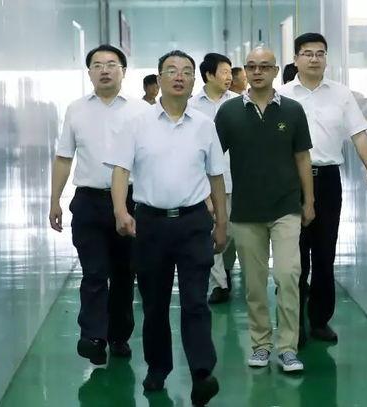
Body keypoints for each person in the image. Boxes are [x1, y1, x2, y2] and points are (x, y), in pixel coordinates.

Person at [106, 50, 226, 406]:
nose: (179, 76)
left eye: (186, 71)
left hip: (193, 222)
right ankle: (158, 368)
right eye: (171, 70)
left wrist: (221, 223)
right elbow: (120, 171)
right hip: (151, 224)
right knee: (155, 304)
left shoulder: (204, 125)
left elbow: (216, 177)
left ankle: (202, 373)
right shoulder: (137, 123)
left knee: (195, 302)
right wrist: (120, 211)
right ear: (158, 79)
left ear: (193, 80)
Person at [279, 33, 367, 346]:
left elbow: (359, 135)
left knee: (325, 253)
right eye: (307, 53)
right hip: (290, 181)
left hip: (327, 180)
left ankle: (319, 320)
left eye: (320, 53)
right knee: (294, 258)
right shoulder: (281, 96)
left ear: (326, 58)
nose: (314, 58)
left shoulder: (341, 94)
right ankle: (293, 325)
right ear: (296, 59)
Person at [215, 46, 314, 372]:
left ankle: (287, 347)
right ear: (245, 71)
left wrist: (309, 201)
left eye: (264, 66)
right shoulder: (228, 112)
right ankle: (260, 345)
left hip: (286, 207)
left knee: (288, 275)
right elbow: (212, 160)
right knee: (255, 284)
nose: (257, 72)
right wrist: (214, 203)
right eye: (252, 66)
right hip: (245, 211)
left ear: (274, 71)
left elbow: (303, 157)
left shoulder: (293, 110)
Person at [49, 44, 145, 365]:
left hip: (130, 201)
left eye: (111, 64)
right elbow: (64, 157)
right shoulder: (76, 109)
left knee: (123, 273)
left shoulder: (141, 110)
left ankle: (118, 336)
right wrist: (55, 200)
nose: (105, 70)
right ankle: (92, 336)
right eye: (98, 65)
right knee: (94, 272)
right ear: (89, 72)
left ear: (123, 71)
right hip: (88, 202)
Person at [189, 52, 238, 304]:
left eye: (230, 72)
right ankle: (219, 284)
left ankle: (226, 271)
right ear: (209, 75)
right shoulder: (192, 106)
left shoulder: (240, 103)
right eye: (224, 72)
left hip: (238, 179)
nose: (229, 77)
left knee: (233, 233)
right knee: (213, 229)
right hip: (207, 180)